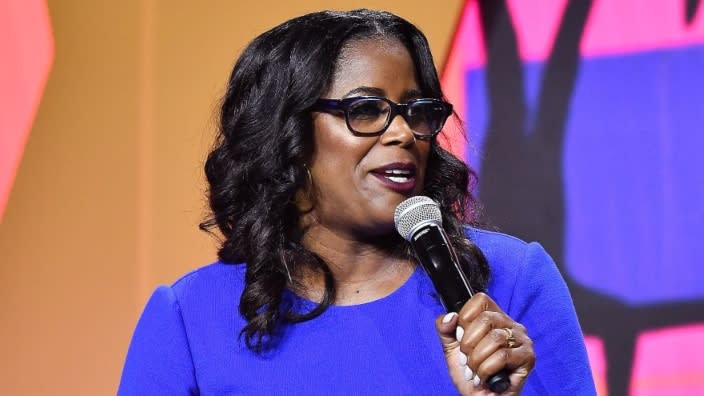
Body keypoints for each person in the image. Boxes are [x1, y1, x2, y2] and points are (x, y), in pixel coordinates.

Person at [118, 9, 595, 395]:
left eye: (417, 112)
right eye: (366, 110)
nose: (405, 133)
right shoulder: (189, 318)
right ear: (288, 137)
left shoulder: (512, 281)